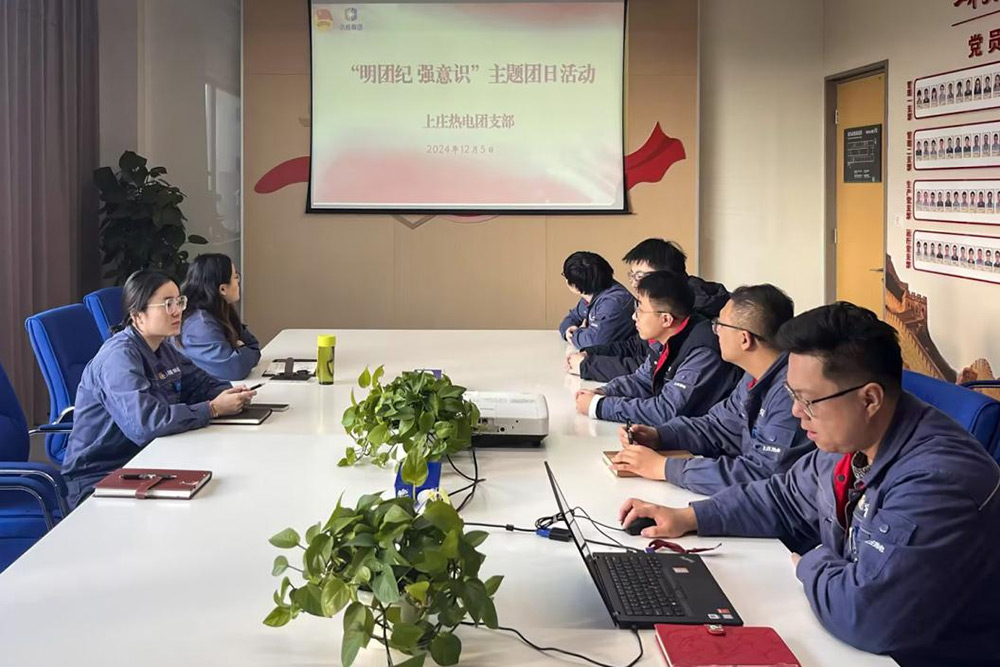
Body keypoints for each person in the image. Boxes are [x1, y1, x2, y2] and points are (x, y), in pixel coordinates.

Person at [618, 303, 1000, 666]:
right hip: (850, 641)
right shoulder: (852, 439)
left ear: (870, 399)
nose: (796, 412)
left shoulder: (936, 480)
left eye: (808, 400)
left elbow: (867, 617)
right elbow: (783, 497)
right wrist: (689, 517)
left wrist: (813, 561)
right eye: (791, 395)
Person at [62, 270, 255, 508]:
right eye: (167, 304)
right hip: (101, 476)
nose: (177, 311)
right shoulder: (118, 358)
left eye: (179, 302)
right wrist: (213, 409)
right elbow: (146, 425)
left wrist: (231, 396)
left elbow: (204, 384)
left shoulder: (162, 348)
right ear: (137, 315)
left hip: (149, 461)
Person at [610, 284, 813, 495]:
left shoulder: (791, 392)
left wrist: (664, 468)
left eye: (720, 325)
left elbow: (761, 474)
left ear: (744, 339)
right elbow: (718, 427)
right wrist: (660, 435)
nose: (715, 332)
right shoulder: (753, 376)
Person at [575, 271, 740, 425]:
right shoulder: (666, 338)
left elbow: (667, 411)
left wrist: (599, 406)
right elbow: (643, 380)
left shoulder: (702, 352)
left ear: (666, 319)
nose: (634, 316)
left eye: (640, 310)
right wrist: (604, 392)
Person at [567, 239, 730, 381]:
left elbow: (653, 367)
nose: (634, 284)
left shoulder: (689, 313)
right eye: (632, 276)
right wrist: (590, 353)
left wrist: (588, 366)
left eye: (640, 276)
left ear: (665, 276)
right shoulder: (665, 300)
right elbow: (637, 346)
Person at [176, 254, 261, 381]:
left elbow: (253, 345)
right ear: (222, 289)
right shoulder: (200, 324)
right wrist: (241, 347)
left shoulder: (220, 311)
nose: (238, 281)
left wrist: (241, 350)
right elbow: (234, 369)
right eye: (235, 277)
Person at [557, 251, 635, 349]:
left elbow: (594, 342)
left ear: (574, 286)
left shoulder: (613, 303)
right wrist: (568, 330)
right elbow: (572, 318)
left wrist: (576, 333)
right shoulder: (592, 292)